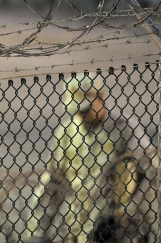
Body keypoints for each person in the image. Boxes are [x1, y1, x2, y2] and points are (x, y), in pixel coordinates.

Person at [24, 72, 154, 243]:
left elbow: (148, 173)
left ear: (101, 96)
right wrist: (38, 231)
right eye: (76, 110)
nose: (80, 115)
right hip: (79, 225)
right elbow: (52, 183)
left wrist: (128, 211)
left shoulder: (123, 128)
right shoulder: (66, 133)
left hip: (119, 226)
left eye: (85, 109)